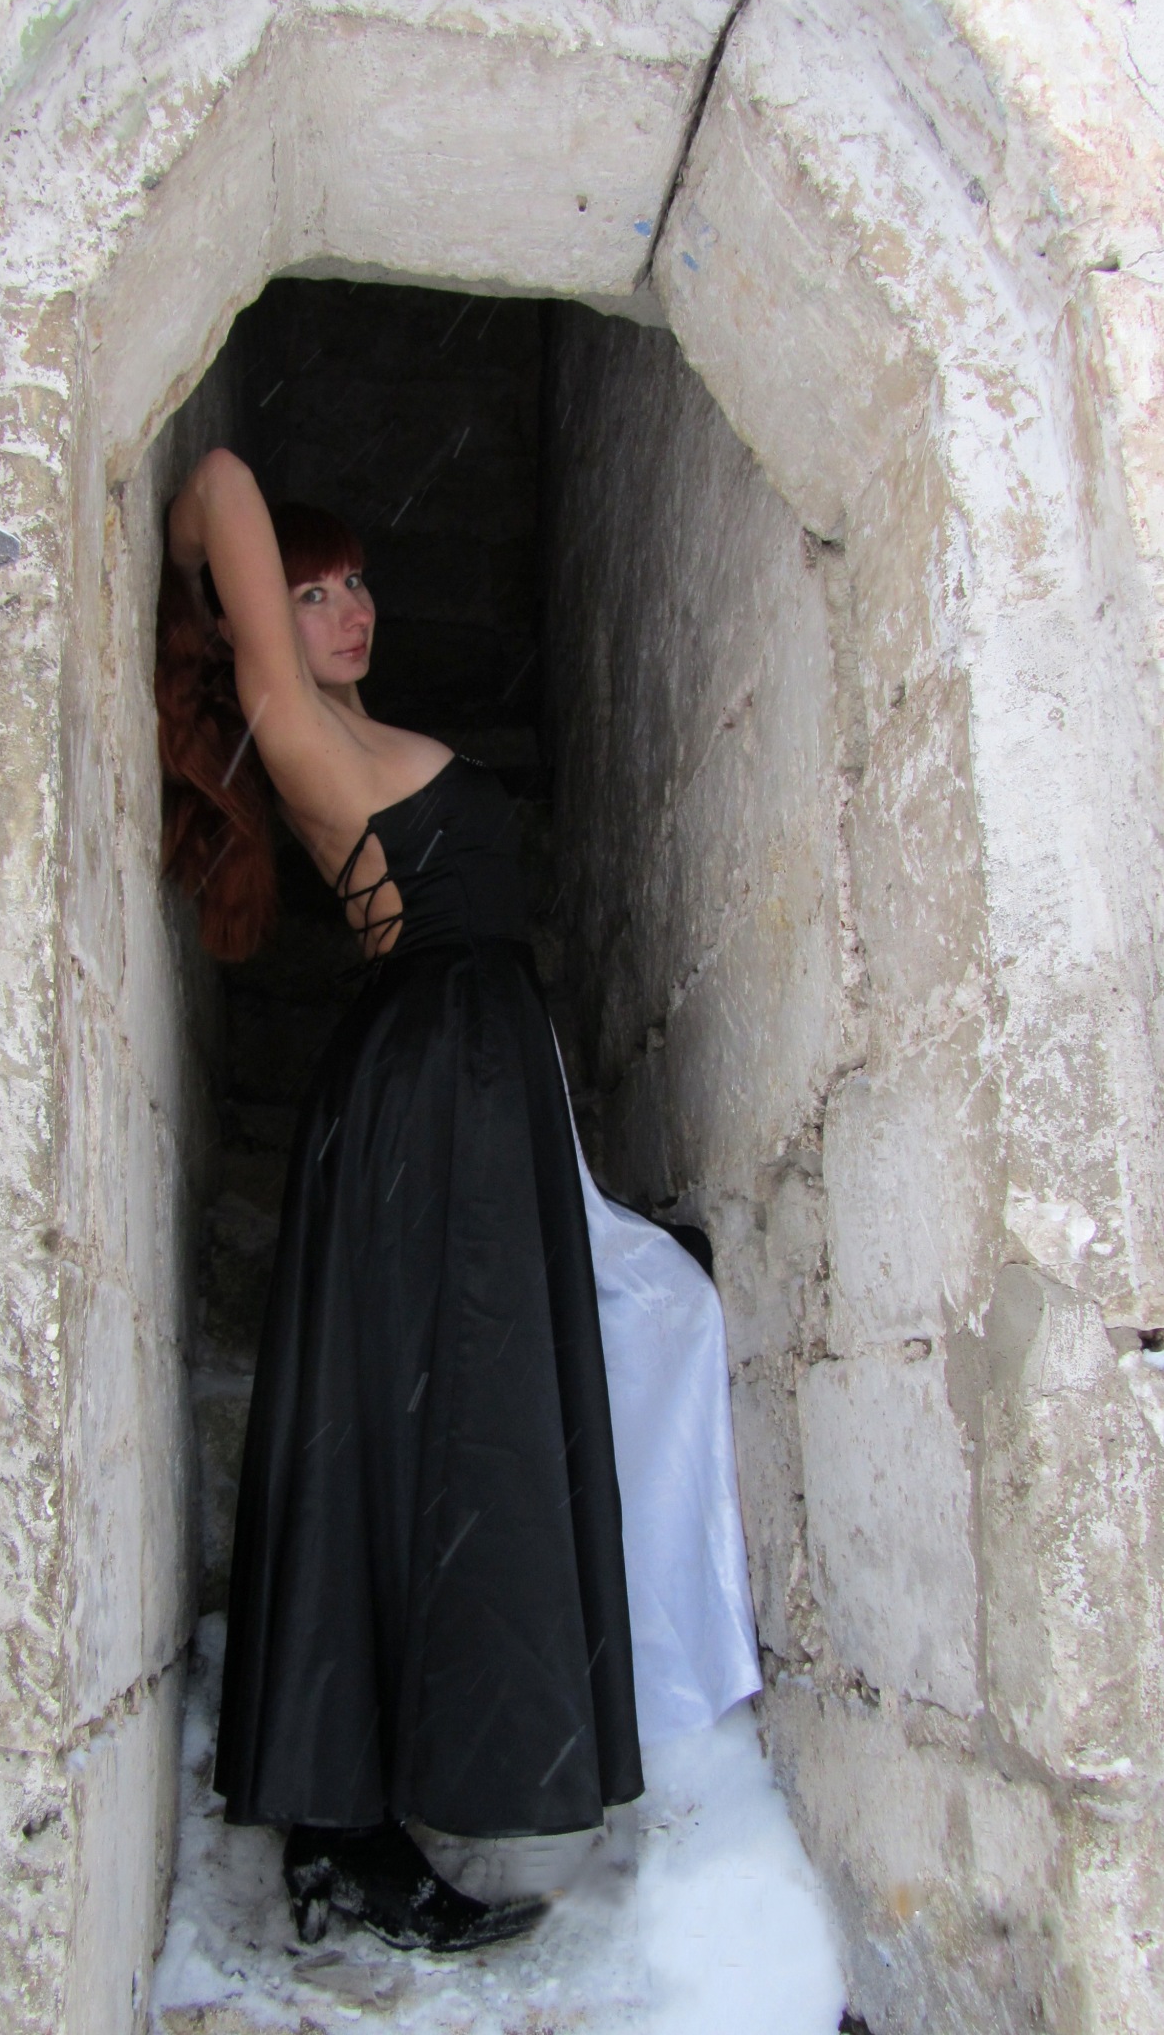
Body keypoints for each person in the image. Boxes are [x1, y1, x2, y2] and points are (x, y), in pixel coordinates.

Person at [157, 449, 762, 1956]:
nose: (348, 609)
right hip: (433, 1081)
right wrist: (197, 562)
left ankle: (391, 1801)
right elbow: (219, 474)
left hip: (481, 1080)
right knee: (423, 1419)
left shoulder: (365, 731)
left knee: (530, 1375)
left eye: (356, 582)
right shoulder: (301, 737)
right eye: (309, 593)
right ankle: (344, 1834)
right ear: (257, 625)